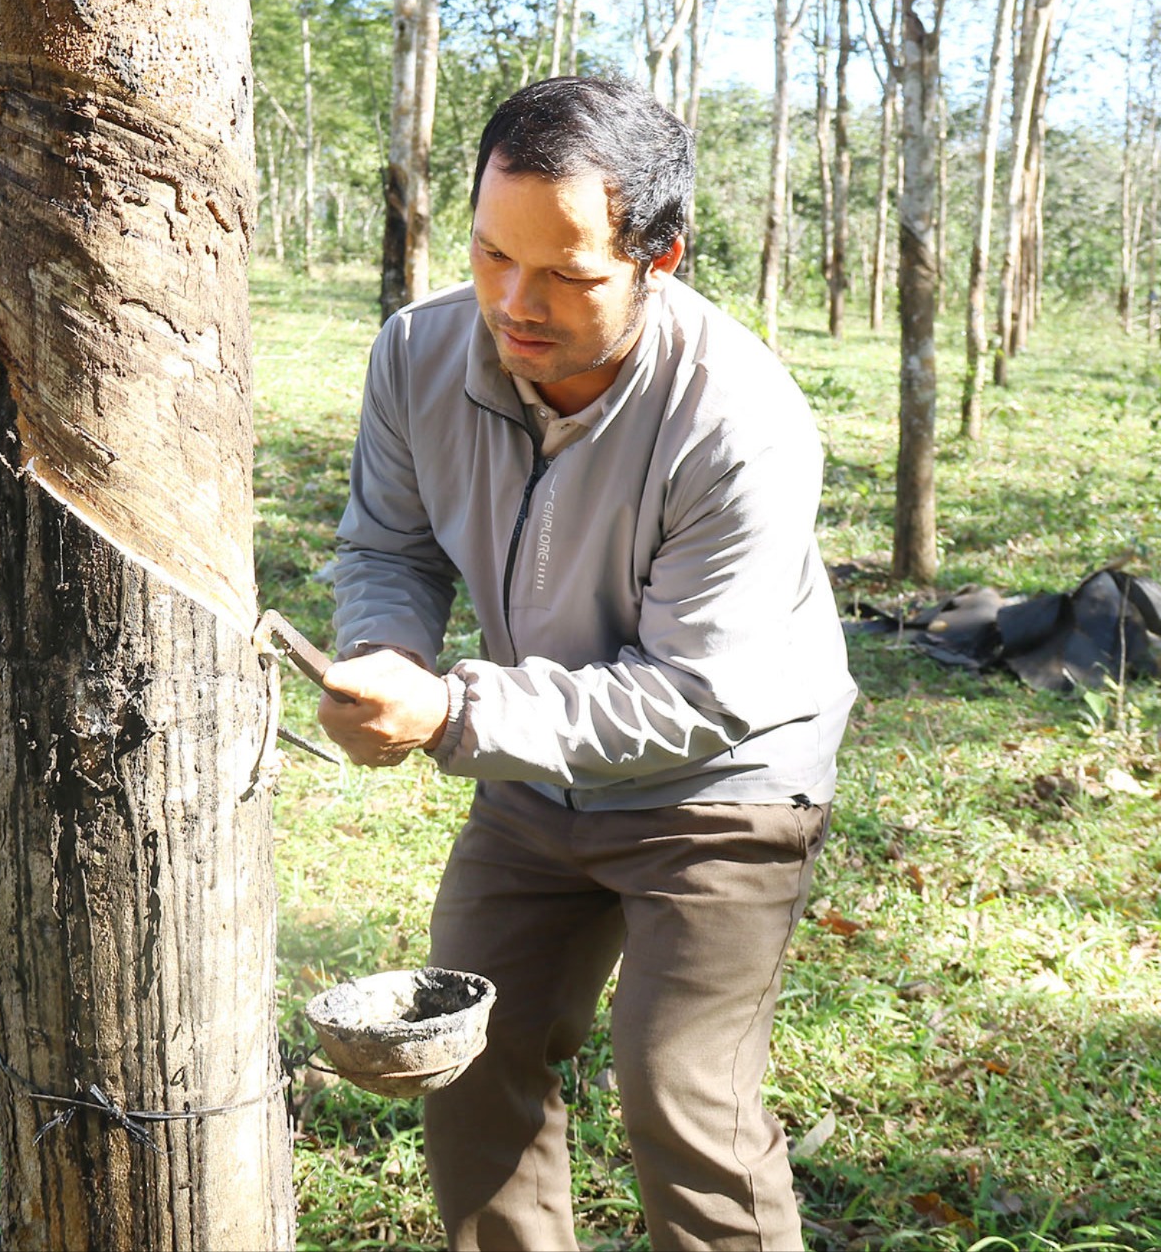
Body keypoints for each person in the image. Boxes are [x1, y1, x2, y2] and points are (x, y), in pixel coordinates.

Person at [315, 76, 859, 1252]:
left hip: (723, 786)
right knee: (465, 1053)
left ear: (660, 261)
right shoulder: (417, 354)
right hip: (531, 777)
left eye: (567, 273)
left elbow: (700, 696)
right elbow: (389, 545)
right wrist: (384, 652)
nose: (514, 302)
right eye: (491, 254)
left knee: (681, 1097)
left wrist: (450, 713)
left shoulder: (740, 422)